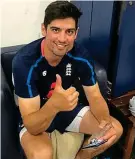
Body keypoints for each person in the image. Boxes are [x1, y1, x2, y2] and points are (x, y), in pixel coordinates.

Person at [12, 1, 123, 159]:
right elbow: (32, 126)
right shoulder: (24, 61)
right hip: (37, 116)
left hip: (67, 110)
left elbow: (96, 97)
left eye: (69, 31)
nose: (62, 39)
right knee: (42, 154)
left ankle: (81, 156)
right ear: (44, 29)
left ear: (76, 33)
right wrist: (54, 105)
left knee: (114, 130)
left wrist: (104, 122)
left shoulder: (80, 55)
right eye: (56, 30)